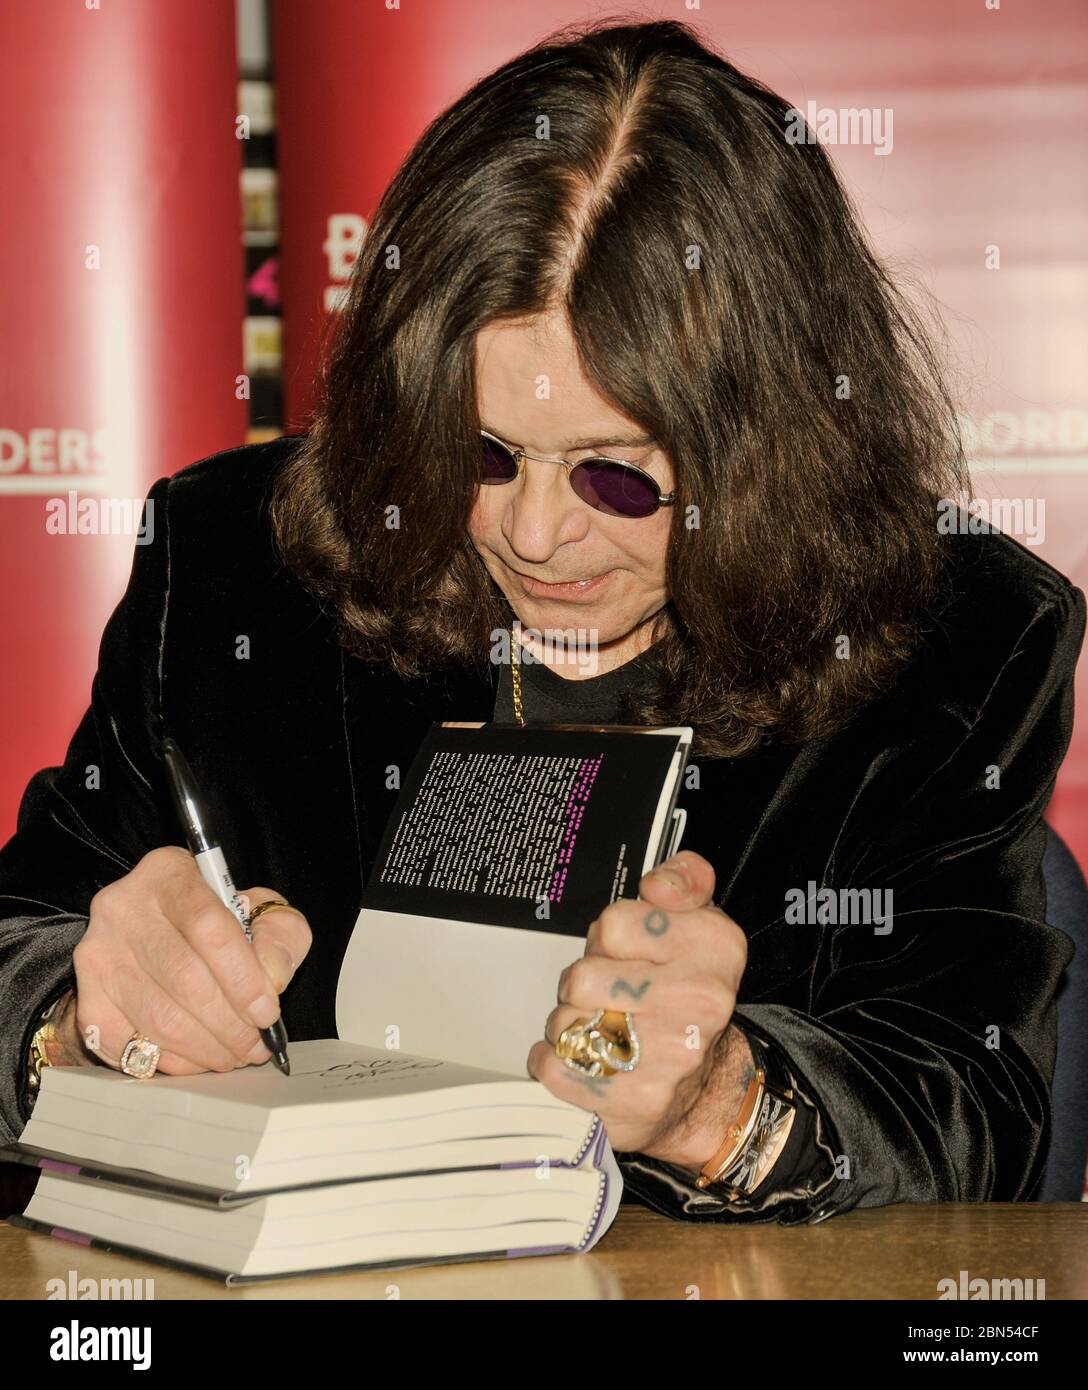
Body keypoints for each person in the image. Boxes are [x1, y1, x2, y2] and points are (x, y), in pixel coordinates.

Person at [0, 18, 1083, 1225]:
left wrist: (720, 1106)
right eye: (479, 453)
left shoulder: (949, 632)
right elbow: (20, 941)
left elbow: (970, 1110)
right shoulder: (232, 570)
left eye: (615, 478)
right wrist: (74, 1014)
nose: (531, 535)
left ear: (766, 451)